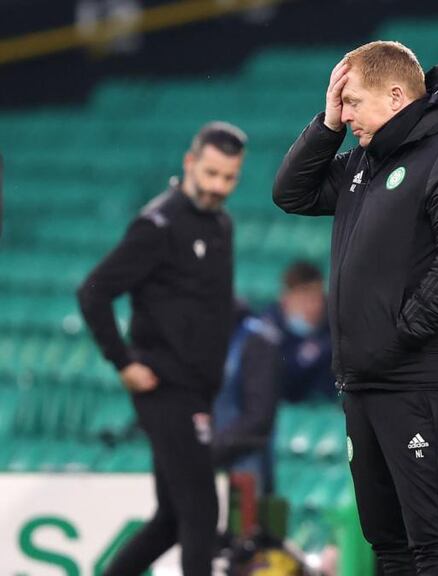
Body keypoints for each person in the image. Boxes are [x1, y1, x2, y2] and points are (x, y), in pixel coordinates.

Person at [272, 41, 438, 575]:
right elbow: (291, 193)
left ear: (396, 96)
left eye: (351, 102)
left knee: (435, 541)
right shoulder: (365, 162)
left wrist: (398, 335)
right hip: (367, 381)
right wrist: (326, 124)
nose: (345, 114)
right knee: (388, 544)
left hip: (424, 380)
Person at [77, 121, 247, 575]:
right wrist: (122, 361)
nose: (218, 186)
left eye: (229, 177)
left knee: (172, 519)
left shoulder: (221, 225)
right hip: (166, 386)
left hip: (198, 389)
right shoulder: (158, 225)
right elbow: (93, 291)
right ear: (190, 163)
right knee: (202, 513)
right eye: (211, 173)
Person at [212, 301, 283, 496]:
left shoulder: (256, 340)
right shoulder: (200, 336)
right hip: (208, 458)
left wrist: (210, 448)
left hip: (244, 461)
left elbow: (259, 416)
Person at [264, 260, 334, 403]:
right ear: (285, 298)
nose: (312, 307)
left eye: (316, 299)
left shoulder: (333, 330)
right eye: (304, 299)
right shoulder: (265, 333)